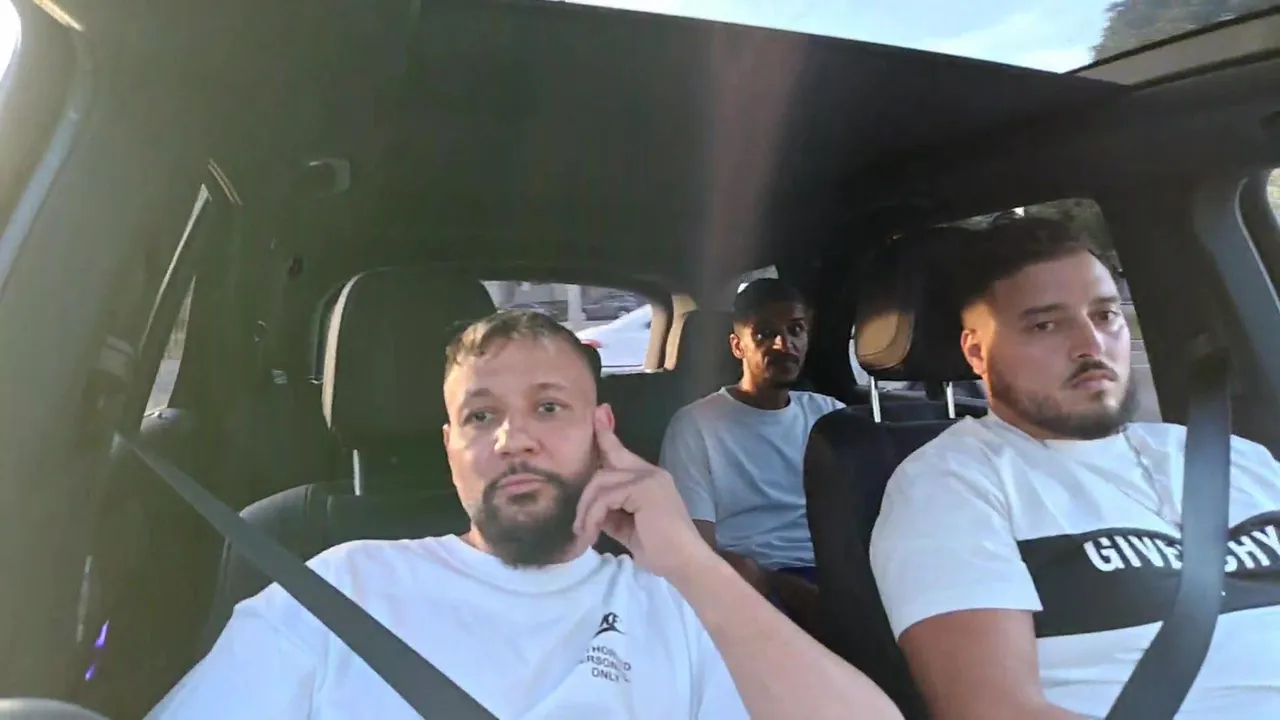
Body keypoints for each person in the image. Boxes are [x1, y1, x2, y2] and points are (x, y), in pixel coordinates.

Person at [149, 309, 900, 719]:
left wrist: (691, 566)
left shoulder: (673, 607)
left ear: (602, 431)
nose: (513, 439)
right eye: (481, 416)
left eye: (548, 407)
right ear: (451, 449)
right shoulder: (338, 589)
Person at [869, 217, 1280, 719]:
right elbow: (996, 712)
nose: (1091, 344)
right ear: (976, 351)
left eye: (1105, 315)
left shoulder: (1237, 458)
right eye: (1045, 325)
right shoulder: (951, 484)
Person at [660, 279, 844, 632]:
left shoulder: (829, 415)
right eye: (764, 334)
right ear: (737, 346)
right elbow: (695, 549)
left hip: (835, 574)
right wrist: (773, 582)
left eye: (795, 330)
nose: (783, 344)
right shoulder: (696, 425)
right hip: (749, 582)